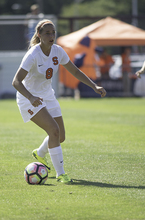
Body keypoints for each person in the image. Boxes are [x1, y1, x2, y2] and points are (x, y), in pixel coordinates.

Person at [12, 19, 106, 183]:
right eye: (47, 33)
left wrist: (94, 86)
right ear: (39, 35)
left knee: (60, 136)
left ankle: (40, 153)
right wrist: (31, 97)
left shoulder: (58, 51)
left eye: (53, 32)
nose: (51, 35)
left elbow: (75, 72)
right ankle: (61, 173)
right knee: (54, 131)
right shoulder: (33, 54)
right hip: (29, 98)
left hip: (47, 95)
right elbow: (16, 81)